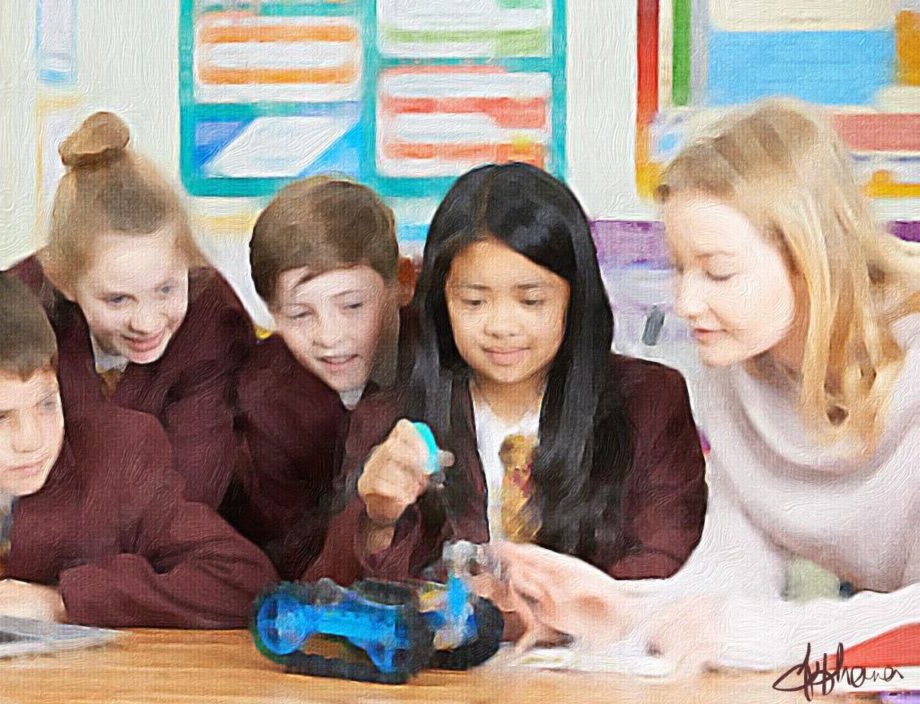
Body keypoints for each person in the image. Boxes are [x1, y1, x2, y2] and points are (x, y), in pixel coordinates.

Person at [491, 100, 920, 670]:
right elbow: (737, 568)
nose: (686, 303)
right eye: (678, 267)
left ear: (810, 259)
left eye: (718, 271)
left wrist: (762, 636)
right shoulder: (737, 363)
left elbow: (756, 625)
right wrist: (620, 612)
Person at [305, 163, 707, 603]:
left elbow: (667, 568)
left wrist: (545, 611)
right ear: (442, 301)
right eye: (474, 301)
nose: (501, 326)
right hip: (448, 671)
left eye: (531, 300)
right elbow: (328, 600)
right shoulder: (390, 415)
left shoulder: (650, 401)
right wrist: (377, 518)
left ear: (575, 297)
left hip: (596, 666)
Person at [0, 268, 276, 628]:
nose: (31, 441)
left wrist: (61, 601)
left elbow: (243, 579)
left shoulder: (113, 456)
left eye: (47, 404)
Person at [11, 112, 254, 507]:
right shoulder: (15, 308)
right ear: (63, 280)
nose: (147, 322)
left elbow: (192, 493)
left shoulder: (213, 319)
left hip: (170, 544)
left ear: (187, 262)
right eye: (117, 299)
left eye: (166, 289)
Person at [224, 177, 408, 579]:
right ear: (272, 313)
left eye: (353, 305)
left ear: (398, 286)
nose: (330, 336)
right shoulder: (265, 399)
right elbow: (290, 558)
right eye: (300, 314)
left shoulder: (430, 364)